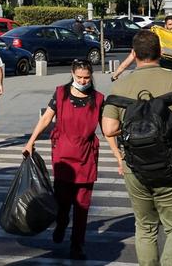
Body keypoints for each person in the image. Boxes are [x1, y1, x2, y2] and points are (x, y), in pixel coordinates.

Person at [102, 30, 172, 266]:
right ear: (161, 52)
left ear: (134, 54)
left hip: (135, 167)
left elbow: (108, 128)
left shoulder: (120, 86)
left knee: (145, 227)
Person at [22, 60, 119, 261]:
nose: (83, 81)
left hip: (86, 156)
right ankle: (61, 222)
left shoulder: (98, 99)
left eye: (86, 77)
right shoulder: (60, 94)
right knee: (62, 201)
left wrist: (118, 156)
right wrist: (31, 141)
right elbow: (46, 119)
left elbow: (107, 131)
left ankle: (77, 245)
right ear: (72, 74)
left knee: (82, 205)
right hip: (63, 156)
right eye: (79, 77)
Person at [112, 15, 172, 80]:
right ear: (165, 25)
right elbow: (131, 58)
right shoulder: (158, 38)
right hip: (162, 73)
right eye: (170, 24)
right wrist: (116, 74)